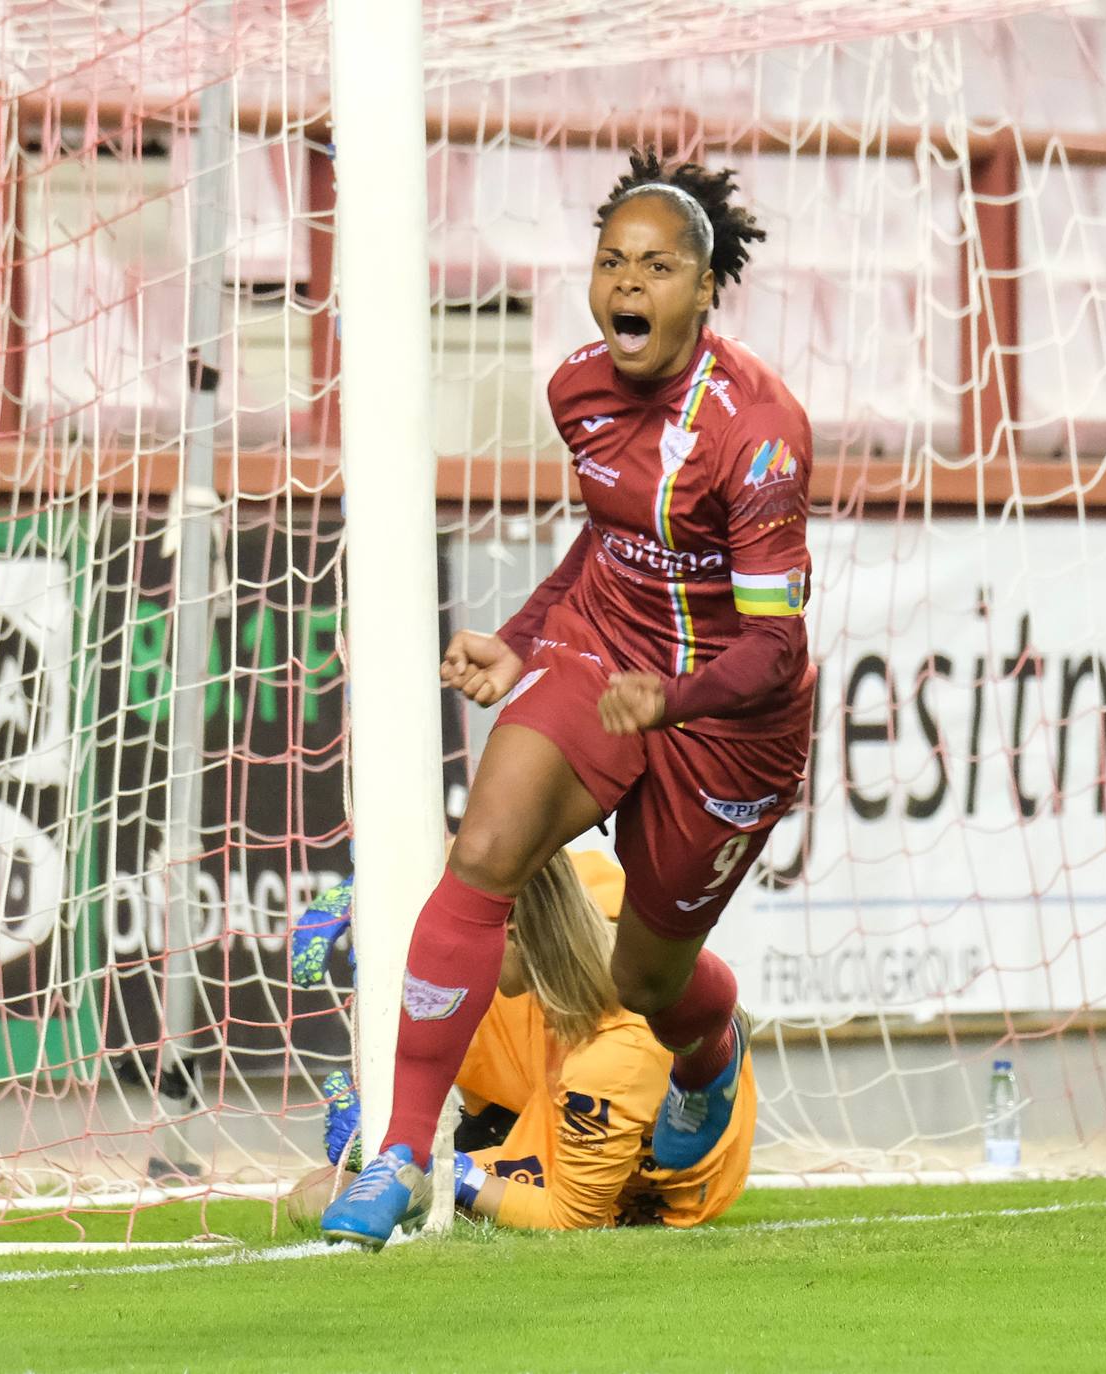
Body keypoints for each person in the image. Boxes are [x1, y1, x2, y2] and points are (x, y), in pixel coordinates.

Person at [321, 148, 812, 1248]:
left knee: (645, 978)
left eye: (655, 266)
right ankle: (400, 1151)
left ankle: (711, 1048)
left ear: (703, 286)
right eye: (610, 262)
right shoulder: (577, 390)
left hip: (726, 725)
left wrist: (674, 702)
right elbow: (609, 536)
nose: (628, 284)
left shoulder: (759, 433)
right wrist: (524, 638)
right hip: (602, 655)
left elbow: (777, 651)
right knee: (485, 849)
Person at [306, 851, 756, 1236]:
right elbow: (500, 859)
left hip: (634, 1186)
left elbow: (572, 1216)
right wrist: (382, 881)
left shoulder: (614, 1055)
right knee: (450, 978)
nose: (458, 951)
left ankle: (709, 1057)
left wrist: (447, 1170)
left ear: (517, 932)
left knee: (321, 1194)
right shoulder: (565, 908)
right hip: (558, 1065)